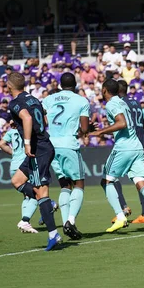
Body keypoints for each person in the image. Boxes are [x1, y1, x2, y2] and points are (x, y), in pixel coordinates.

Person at [89, 79, 144, 234]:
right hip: (137, 145)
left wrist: (100, 132)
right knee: (140, 182)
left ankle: (120, 216)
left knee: (106, 181)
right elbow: (123, 125)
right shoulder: (123, 102)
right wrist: (105, 129)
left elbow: (122, 123)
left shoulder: (111, 104)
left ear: (104, 90)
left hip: (124, 147)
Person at [7, 72, 61, 251]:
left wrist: (28, 142)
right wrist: (23, 126)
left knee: (40, 190)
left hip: (38, 150)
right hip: (43, 144)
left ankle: (53, 234)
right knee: (17, 181)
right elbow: (43, 118)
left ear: (9, 86)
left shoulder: (15, 102)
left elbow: (28, 118)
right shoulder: (33, 99)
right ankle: (47, 203)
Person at [42, 73, 90, 241]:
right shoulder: (81, 100)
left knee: (64, 184)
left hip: (51, 145)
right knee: (79, 184)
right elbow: (83, 129)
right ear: (75, 84)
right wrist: (88, 127)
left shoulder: (49, 99)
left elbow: (42, 119)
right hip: (69, 145)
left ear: (60, 85)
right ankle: (70, 220)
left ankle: (65, 223)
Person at [114, 80, 144, 225]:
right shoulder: (135, 102)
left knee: (110, 176)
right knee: (139, 178)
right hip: (142, 141)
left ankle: (123, 209)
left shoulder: (121, 104)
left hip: (129, 143)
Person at [0, 121, 40, 234]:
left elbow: (1, 144)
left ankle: (25, 222)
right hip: (25, 166)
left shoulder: (11, 132)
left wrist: (14, 153)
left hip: (14, 166)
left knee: (26, 196)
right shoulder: (28, 131)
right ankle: (25, 220)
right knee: (36, 193)